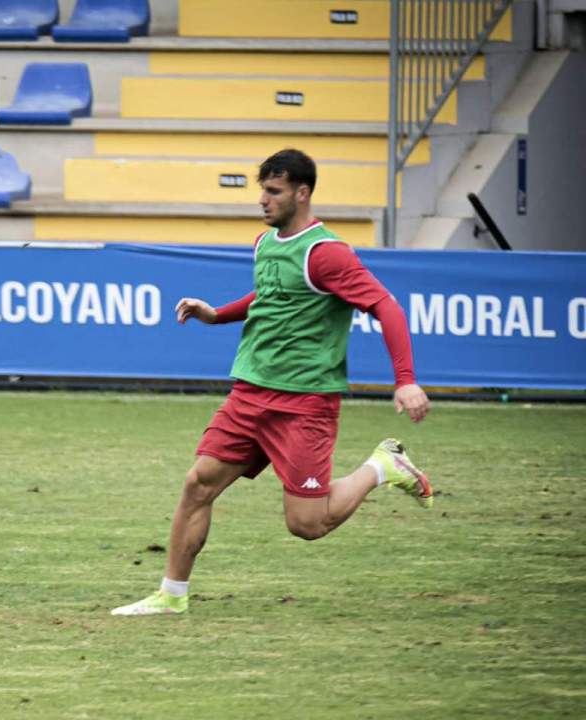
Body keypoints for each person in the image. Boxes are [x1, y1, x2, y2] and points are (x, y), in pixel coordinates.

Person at [112, 149, 434, 617]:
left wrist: (405, 380)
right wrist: (217, 314)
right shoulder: (267, 244)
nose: (262, 200)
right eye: (261, 190)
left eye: (273, 191)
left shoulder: (328, 254)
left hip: (304, 402)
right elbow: (270, 296)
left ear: (302, 194)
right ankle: (171, 596)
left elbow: (387, 307)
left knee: (307, 524)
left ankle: (382, 467)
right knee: (198, 483)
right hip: (250, 392)